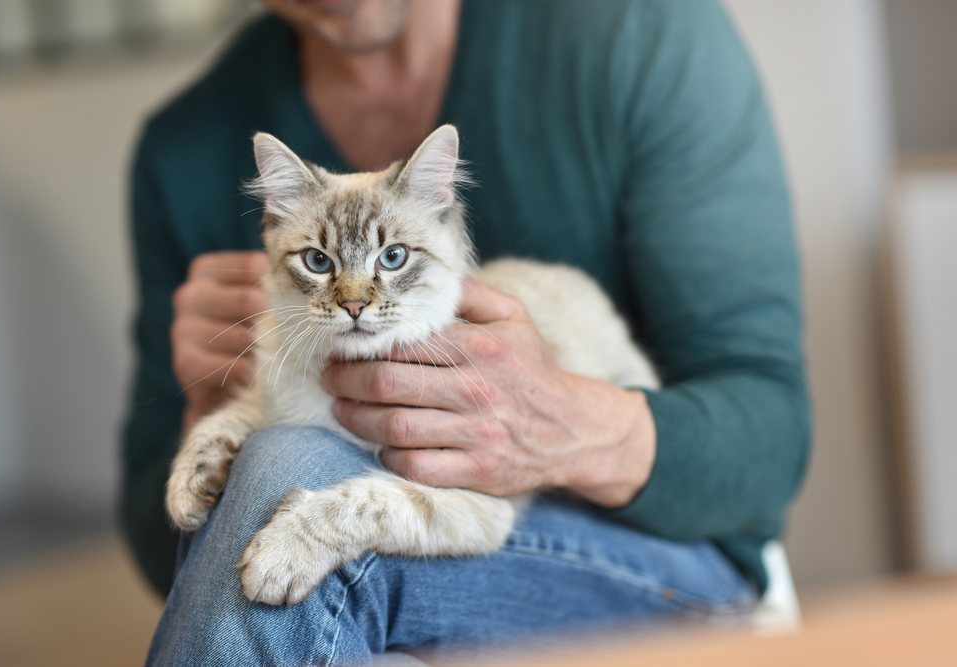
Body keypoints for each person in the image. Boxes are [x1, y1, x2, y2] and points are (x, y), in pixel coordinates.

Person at [123, 0, 810, 663]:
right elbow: (175, 558)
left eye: (392, 259)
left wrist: (566, 426)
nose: (356, 299)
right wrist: (210, 407)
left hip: (651, 543)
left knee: (285, 465)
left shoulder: (639, 30)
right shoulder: (185, 148)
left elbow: (774, 433)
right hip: (368, 551)